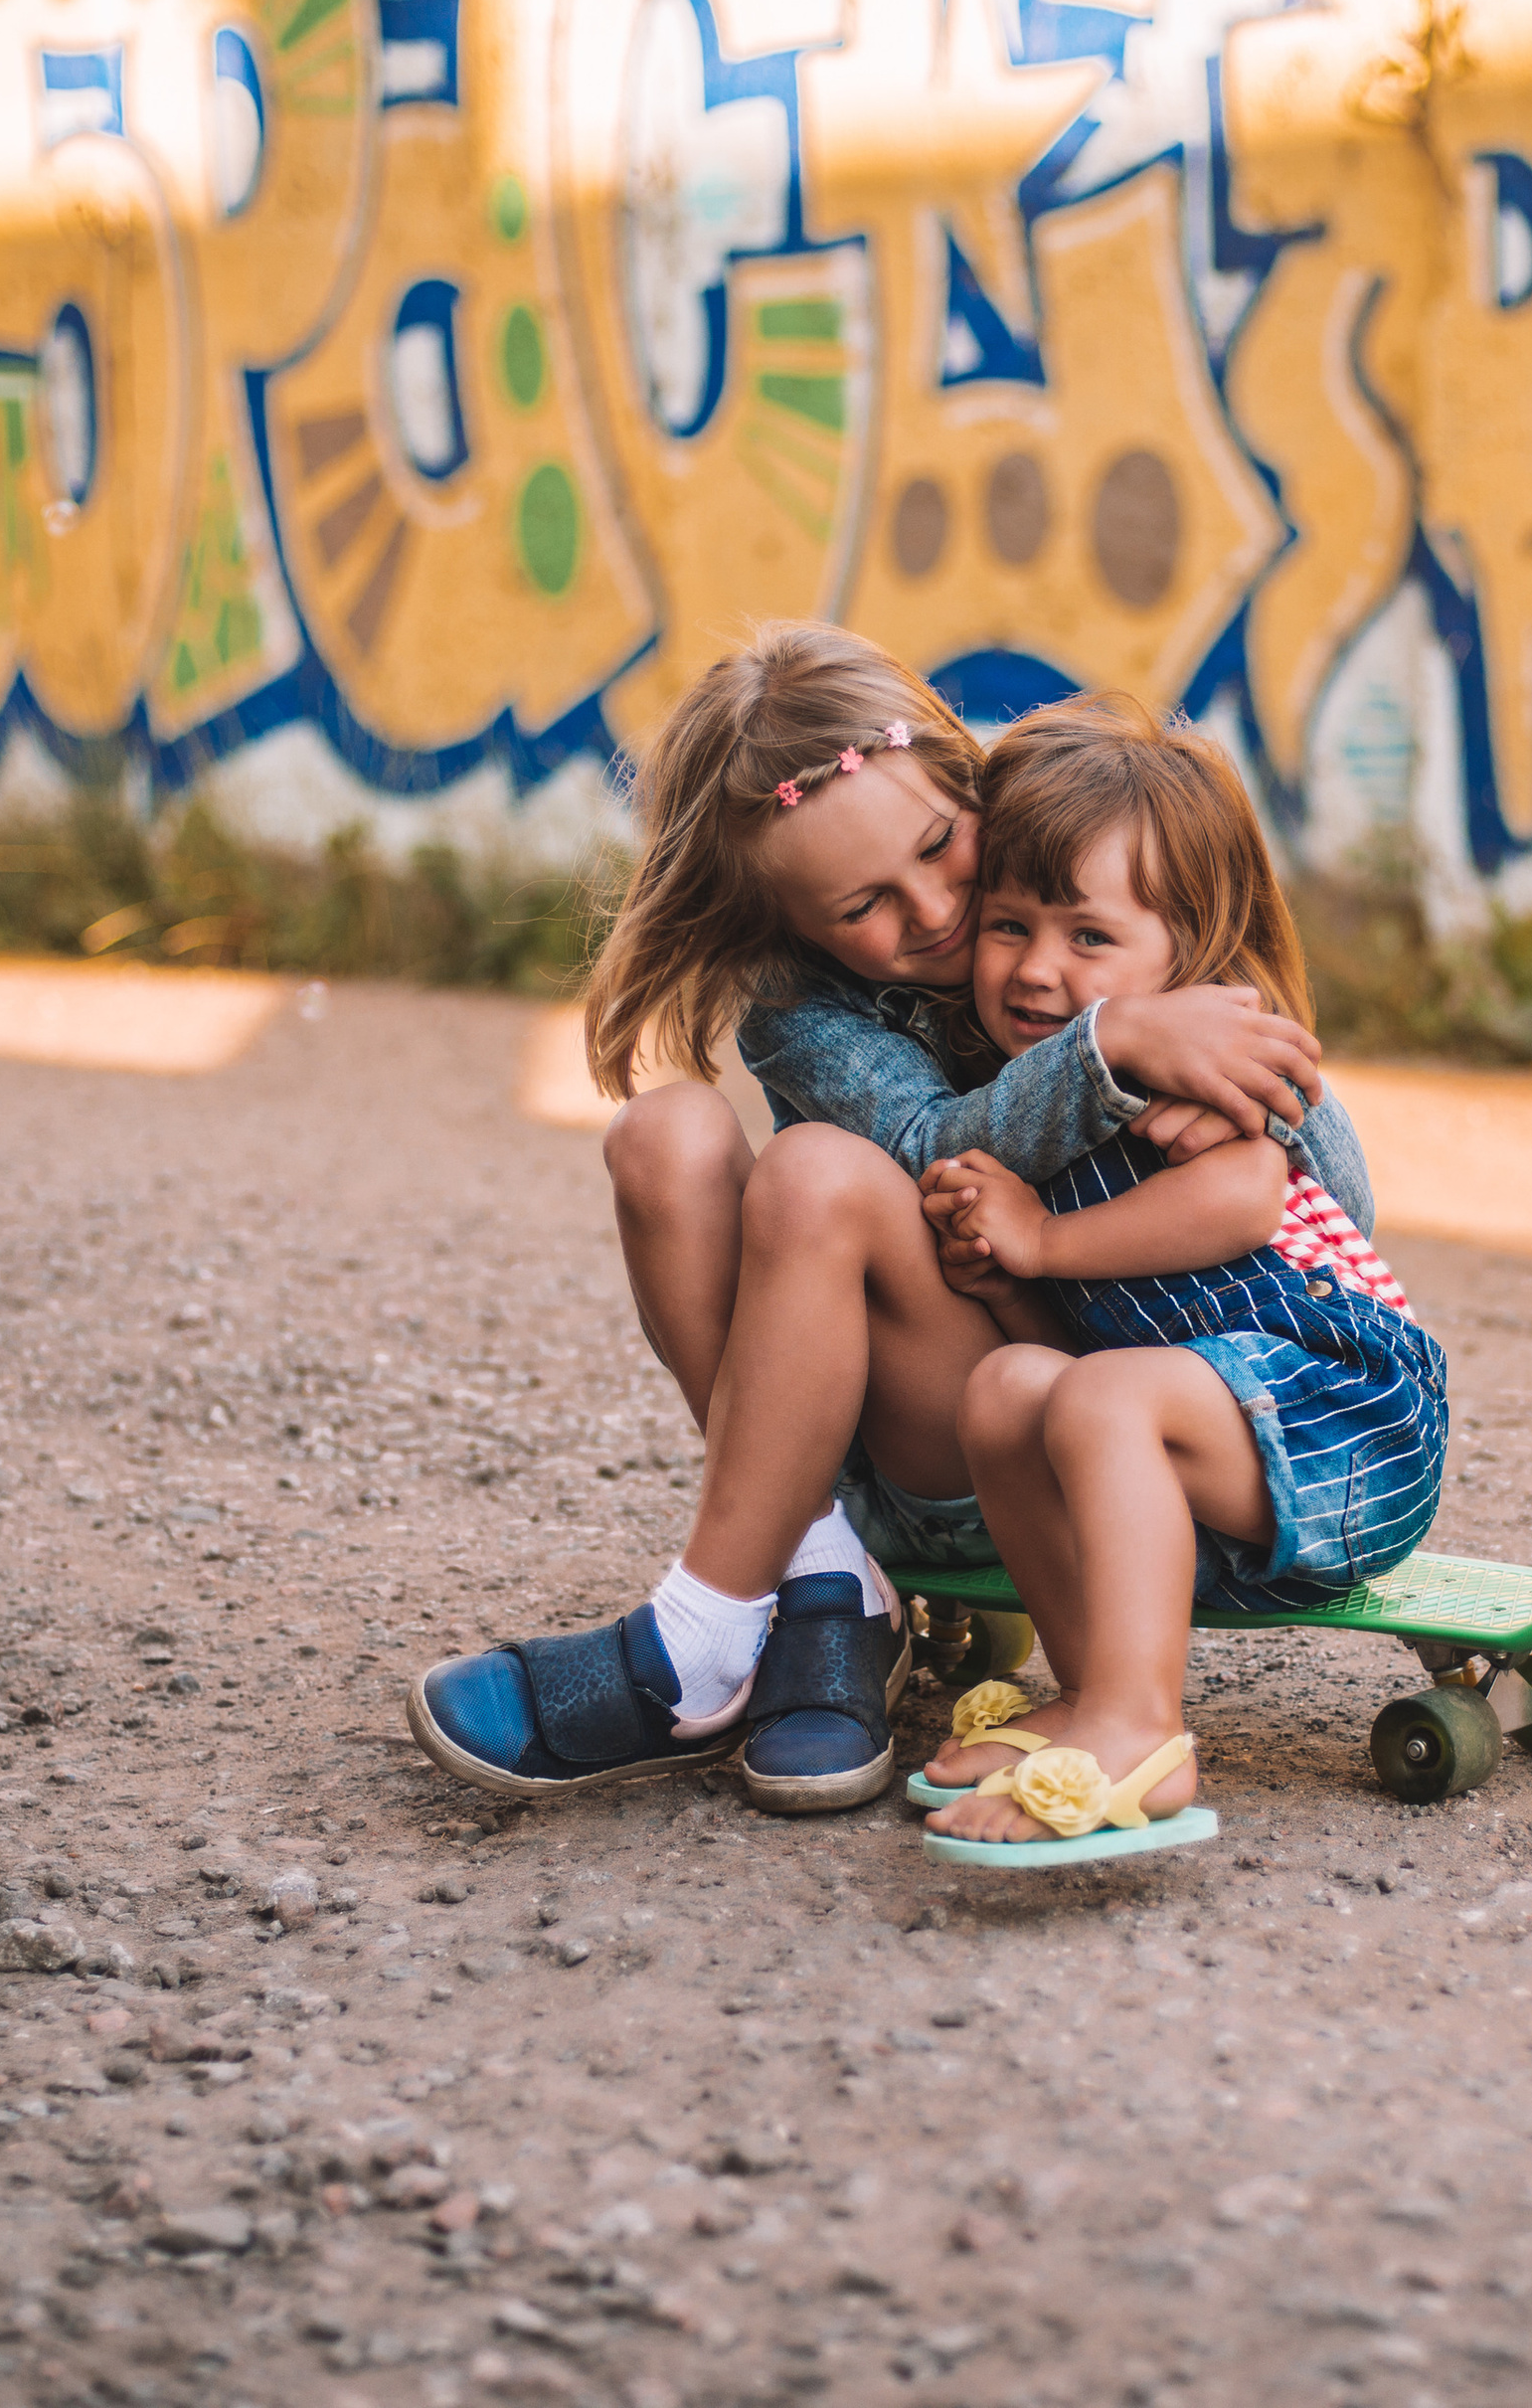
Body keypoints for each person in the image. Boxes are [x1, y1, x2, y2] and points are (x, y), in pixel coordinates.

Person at [407, 623, 1373, 1813]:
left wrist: (1243, 1100)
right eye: (863, 903)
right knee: (669, 1137)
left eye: (938, 847)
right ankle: (811, 1577)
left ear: (966, 782)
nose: (933, 912)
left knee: (813, 1172)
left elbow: (1339, 1231)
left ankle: (723, 1633)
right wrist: (1112, 1046)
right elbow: (930, 1148)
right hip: (942, 1422)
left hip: (1099, 1415)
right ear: (790, 925)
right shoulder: (800, 1015)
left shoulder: (1092, 879)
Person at [909, 696, 1448, 1864]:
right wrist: (1004, 1272)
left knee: (1100, 1397)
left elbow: (1246, 1198)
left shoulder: (1189, 1075)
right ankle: (1091, 1686)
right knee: (1008, 1386)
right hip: (1214, 1460)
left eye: (1088, 938)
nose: (1038, 969)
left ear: (1186, 953)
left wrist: (1043, 1239)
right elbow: (1075, 1336)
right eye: (1007, 925)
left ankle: (1141, 1732)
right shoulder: (1039, 1109)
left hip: (1350, 1419)